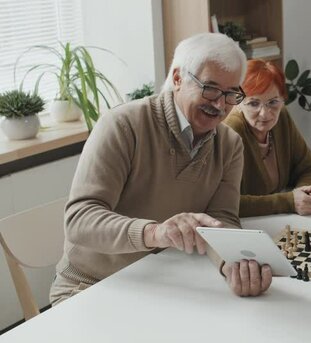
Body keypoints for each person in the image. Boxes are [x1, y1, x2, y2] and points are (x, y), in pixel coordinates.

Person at [50, 33, 272, 304]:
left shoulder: (229, 144)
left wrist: (232, 263)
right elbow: (79, 220)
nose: (220, 104)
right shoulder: (122, 126)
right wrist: (155, 233)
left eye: (230, 94)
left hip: (163, 281)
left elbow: (221, 218)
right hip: (89, 286)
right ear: (178, 78)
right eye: (210, 88)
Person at [223, 59, 311, 217]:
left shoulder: (281, 117)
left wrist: (304, 193)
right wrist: (289, 201)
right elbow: (226, 202)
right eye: (254, 103)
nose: (265, 113)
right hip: (249, 228)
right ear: (238, 103)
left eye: (273, 102)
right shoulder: (231, 131)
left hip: (280, 220)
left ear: (283, 99)